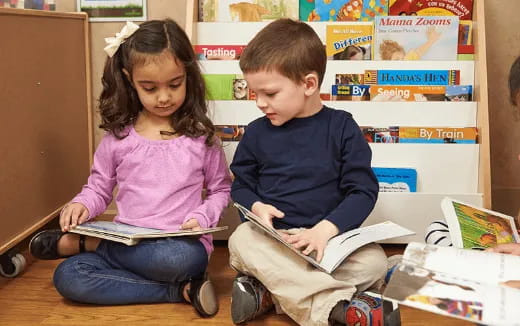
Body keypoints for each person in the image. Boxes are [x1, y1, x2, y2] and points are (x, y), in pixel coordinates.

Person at [28, 19, 232, 317]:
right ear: (129, 79)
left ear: (188, 75)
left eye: (174, 84)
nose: (164, 97)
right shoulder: (119, 139)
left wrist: (203, 215)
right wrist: (82, 203)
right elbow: (98, 188)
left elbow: (220, 188)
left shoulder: (201, 138)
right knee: (69, 277)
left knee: (181, 261)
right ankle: (180, 290)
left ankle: (90, 244)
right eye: (149, 87)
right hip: (127, 238)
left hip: (178, 247)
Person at [227, 18, 388, 326]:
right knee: (241, 241)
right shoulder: (256, 133)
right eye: (254, 93)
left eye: (270, 93)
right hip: (273, 240)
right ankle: (335, 309)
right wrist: (257, 207)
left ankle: (271, 292)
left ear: (309, 84)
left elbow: (363, 191)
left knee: (374, 262)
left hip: (326, 243)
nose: (260, 103)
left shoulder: (342, 127)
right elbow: (242, 188)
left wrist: (325, 230)